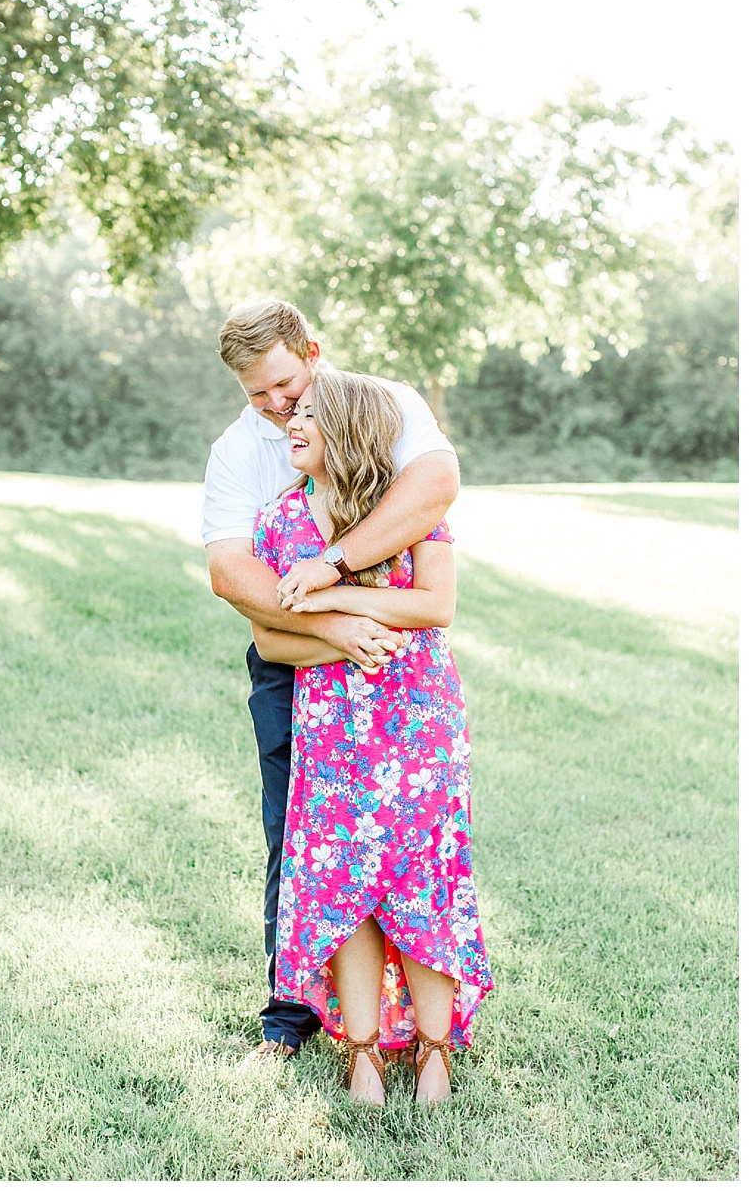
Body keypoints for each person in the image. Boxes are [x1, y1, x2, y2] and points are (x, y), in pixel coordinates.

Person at [200, 299, 459, 1062]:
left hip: (394, 665)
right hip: (300, 656)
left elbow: (435, 488)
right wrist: (332, 629)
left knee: (407, 844)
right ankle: (290, 1016)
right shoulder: (239, 451)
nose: (278, 408)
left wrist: (336, 569)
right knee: (296, 833)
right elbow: (230, 570)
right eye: (258, 395)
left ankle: (414, 1028)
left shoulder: (383, 405)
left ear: (311, 350)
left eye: (284, 385)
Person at [248, 368, 492, 1103]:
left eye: (311, 416)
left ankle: (435, 1051)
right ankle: (361, 1054)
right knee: (345, 889)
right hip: (332, 734)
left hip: (419, 724)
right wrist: (345, 638)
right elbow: (273, 639)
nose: (290, 422)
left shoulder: (407, 514)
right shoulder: (278, 522)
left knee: (424, 880)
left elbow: (436, 606)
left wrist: (333, 587)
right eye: (292, 414)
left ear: (349, 430)